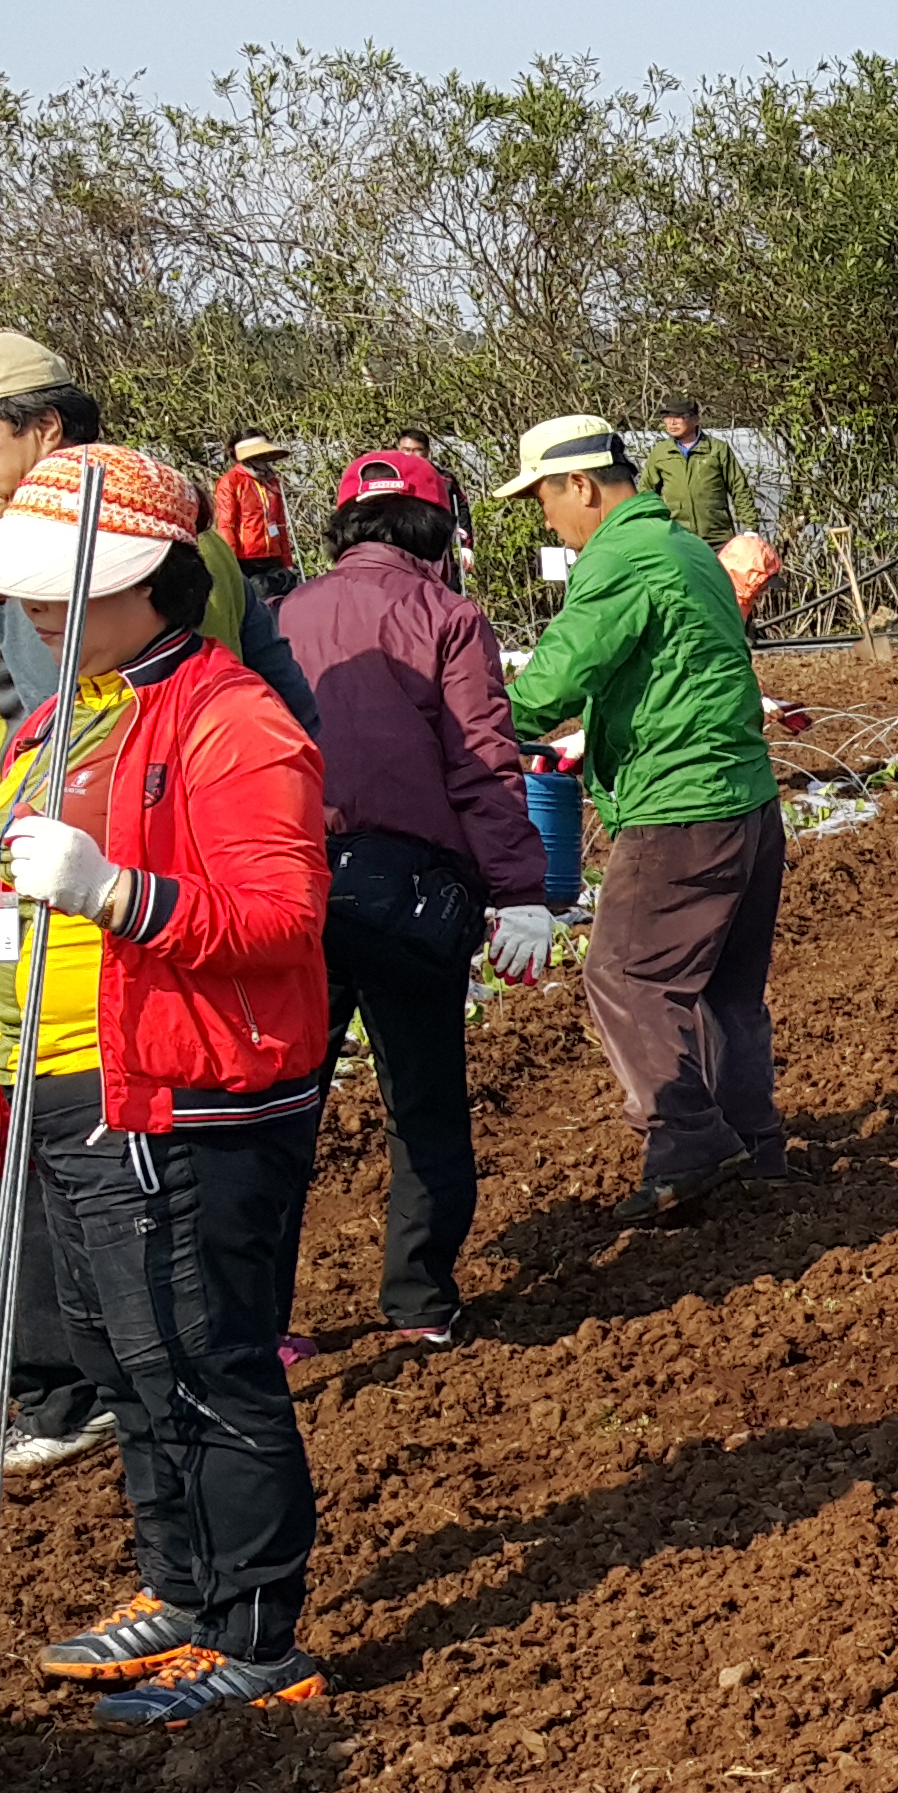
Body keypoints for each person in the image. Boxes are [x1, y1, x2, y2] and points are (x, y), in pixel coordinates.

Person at [0, 445, 337, 1724]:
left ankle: (259, 1637)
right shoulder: (59, 720)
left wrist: (117, 892)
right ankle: (181, 1590)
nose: (32, 615)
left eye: (59, 590)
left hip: (179, 1089)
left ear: (146, 578)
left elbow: (278, 920)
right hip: (46, 1084)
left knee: (205, 1358)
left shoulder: (232, 722)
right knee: (123, 1358)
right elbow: (18, 895)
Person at [279, 447, 558, 1341]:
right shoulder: (449, 616)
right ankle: (418, 1302)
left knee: (283, 1108)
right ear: (438, 528)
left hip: (295, 889)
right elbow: (481, 763)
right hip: (407, 894)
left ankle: (259, 1319)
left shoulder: (279, 613)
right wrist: (523, 886)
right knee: (424, 1101)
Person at [498, 415, 791, 1221]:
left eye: (545, 502)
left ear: (581, 486)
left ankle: (688, 1139)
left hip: (677, 807)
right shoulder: (690, 548)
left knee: (625, 975)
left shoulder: (621, 559)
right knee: (725, 991)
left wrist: (470, 729)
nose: (547, 520)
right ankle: (753, 1142)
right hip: (746, 799)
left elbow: (550, 684)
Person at [641, 400, 754, 551]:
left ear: (695, 419)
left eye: (679, 416)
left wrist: (750, 528)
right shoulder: (660, 452)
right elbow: (646, 494)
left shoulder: (717, 450)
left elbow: (739, 489)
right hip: (677, 538)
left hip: (718, 539)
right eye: (667, 417)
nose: (672, 422)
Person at [211, 435, 300, 601]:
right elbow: (226, 525)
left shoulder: (272, 482)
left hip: (274, 557)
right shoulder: (231, 482)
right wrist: (231, 565)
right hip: (246, 559)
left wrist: (287, 561)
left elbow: (280, 525)